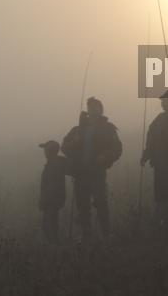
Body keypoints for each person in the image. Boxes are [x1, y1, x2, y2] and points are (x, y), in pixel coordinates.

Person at [61, 97, 122, 239]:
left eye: (96, 107)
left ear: (101, 110)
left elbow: (117, 149)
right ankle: (86, 237)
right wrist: (74, 143)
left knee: (101, 204)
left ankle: (106, 235)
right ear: (88, 110)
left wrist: (106, 156)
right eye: (90, 107)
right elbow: (64, 147)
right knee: (82, 207)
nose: (93, 110)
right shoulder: (77, 130)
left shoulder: (108, 129)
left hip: (97, 173)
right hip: (80, 173)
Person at [140, 90, 168, 231]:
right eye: (163, 101)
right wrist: (145, 156)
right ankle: (165, 225)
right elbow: (151, 139)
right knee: (161, 198)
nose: (163, 103)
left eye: (165, 101)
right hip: (160, 166)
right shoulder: (159, 119)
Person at [38, 140, 71, 243]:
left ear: (49, 151)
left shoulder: (54, 165)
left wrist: (43, 201)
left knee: (49, 226)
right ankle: (54, 246)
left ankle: (55, 247)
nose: (44, 152)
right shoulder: (57, 162)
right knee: (50, 225)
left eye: (45, 150)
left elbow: (50, 187)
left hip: (51, 201)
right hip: (54, 200)